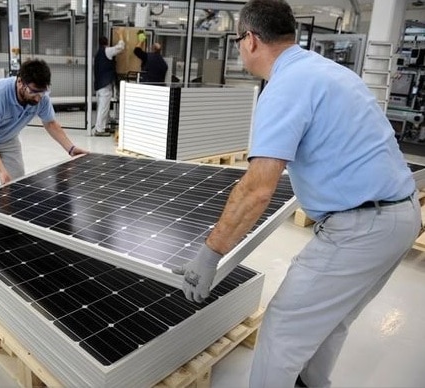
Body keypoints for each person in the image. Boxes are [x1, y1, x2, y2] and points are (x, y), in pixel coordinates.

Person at [173, 1, 421, 387]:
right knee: (331, 319)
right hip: (400, 216)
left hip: (360, 228)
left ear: (251, 40)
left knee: (282, 330)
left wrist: (210, 254)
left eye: (238, 40)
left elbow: (256, 189)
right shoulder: (329, 71)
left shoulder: (285, 87)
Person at [0, 59, 88, 197]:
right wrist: (1, 172)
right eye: (34, 92)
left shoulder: (41, 97)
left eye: (42, 92)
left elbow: (51, 124)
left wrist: (71, 149)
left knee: (17, 181)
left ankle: (9, 216)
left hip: (8, 137)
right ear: (20, 82)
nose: (38, 98)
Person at [93, 29, 125, 136]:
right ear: (107, 43)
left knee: (104, 107)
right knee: (103, 107)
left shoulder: (98, 54)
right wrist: (120, 34)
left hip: (100, 84)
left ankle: (104, 126)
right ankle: (99, 129)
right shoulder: (107, 51)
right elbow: (120, 47)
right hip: (104, 85)